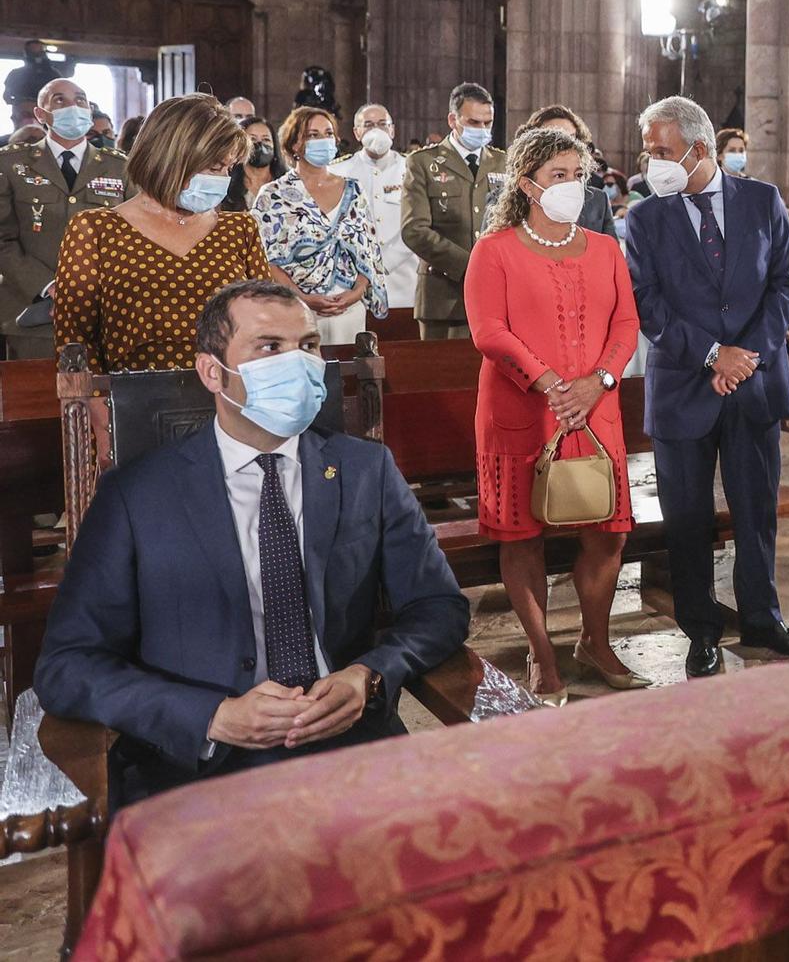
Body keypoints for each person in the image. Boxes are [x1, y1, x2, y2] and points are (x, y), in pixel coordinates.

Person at [35, 281, 468, 811]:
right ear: (213, 372)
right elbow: (67, 664)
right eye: (270, 347)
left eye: (308, 345)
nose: (300, 363)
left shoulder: (364, 470)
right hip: (196, 765)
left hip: (349, 747)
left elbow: (438, 606)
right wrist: (212, 715)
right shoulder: (138, 494)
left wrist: (369, 676)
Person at [624, 96, 789, 677]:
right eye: (649, 150)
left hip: (753, 382)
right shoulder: (645, 217)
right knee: (687, 517)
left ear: (698, 149)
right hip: (685, 382)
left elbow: (785, 283)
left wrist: (745, 356)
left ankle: (762, 617)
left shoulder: (762, 201)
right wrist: (713, 354)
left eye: (661, 150)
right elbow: (646, 302)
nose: (650, 161)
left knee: (756, 510)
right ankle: (700, 628)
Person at [466, 128, 644, 703]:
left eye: (578, 174)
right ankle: (542, 657)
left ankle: (596, 639)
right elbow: (489, 330)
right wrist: (548, 383)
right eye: (558, 176)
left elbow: (626, 325)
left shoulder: (605, 248)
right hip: (522, 410)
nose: (572, 186)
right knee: (523, 536)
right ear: (527, 185)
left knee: (608, 533)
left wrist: (600, 381)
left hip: (597, 410)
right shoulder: (493, 251)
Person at [54, 94, 268, 373]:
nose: (221, 179)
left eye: (228, 168)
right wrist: (94, 403)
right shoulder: (95, 230)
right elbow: (75, 337)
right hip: (131, 400)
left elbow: (266, 321)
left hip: (229, 395)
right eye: (214, 167)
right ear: (169, 157)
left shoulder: (240, 229)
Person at [0, 78, 128, 359]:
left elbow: (134, 237)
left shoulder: (120, 166)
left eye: (81, 100)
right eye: (60, 100)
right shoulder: (10, 164)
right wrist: (49, 286)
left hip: (104, 315)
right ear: (40, 114)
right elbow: (3, 240)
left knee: (102, 399)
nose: (74, 106)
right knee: (35, 399)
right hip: (33, 317)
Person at [253, 107, 387, 346]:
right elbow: (264, 257)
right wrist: (301, 296)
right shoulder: (273, 195)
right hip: (296, 308)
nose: (323, 140)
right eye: (313, 135)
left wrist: (356, 292)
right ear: (295, 144)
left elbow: (369, 251)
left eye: (328, 134)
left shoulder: (353, 191)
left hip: (348, 309)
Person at [401, 82, 506, 340]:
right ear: (453, 119)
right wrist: (470, 265)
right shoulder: (423, 163)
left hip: (496, 299)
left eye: (487, 123)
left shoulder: (503, 162)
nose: (481, 130)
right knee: (442, 378)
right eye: (473, 122)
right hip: (443, 298)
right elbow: (414, 229)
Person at [330, 103, 420, 309]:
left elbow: (420, 223)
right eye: (369, 125)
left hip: (403, 281)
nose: (376, 130)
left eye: (382, 124)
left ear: (393, 130)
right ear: (356, 132)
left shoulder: (412, 169)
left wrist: (384, 261)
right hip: (352, 283)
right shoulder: (338, 172)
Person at [518, 105, 616, 237]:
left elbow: (611, 253)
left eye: (571, 139)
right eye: (552, 140)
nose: (563, 148)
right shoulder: (503, 199)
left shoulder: (598, 201)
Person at [223, 115, 282, 212]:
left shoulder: (286, 183)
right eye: (253, 139)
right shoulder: (227, 185)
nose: (260, 144)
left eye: (266, 139)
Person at [3, 39, 59, 121]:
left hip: (44, 111)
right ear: (27, 53)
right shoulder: (16, 74)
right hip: (24, 109)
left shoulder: (53, 74)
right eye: (33, 52)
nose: (37, 55)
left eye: (39, 51)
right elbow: (7, 96)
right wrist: (21, 104)